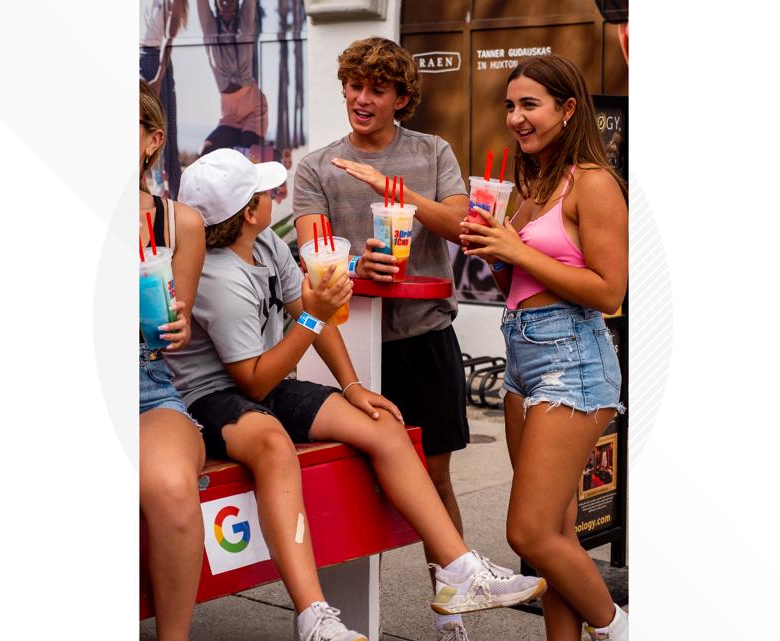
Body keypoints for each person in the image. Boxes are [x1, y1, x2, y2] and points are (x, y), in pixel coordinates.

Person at [168, 148, 546, 641]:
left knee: (382, 422)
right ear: (246, 211)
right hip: (212, 397)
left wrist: (352, 386)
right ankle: (314, 617)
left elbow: (308, 308)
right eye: (264, 192)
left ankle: (458, 569)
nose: (272, 197)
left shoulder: (265, 247)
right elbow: (255, 379)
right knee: (272, 443)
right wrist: (314, 314)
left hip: (264, 380)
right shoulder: (218, 275)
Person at [291, 37, 475, 640]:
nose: (361, 98)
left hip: (425, 339)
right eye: (354, 85)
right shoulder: (316, 166)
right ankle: (335, 616)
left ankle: (450, 608)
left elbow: (461, 226)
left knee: (436, 478)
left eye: (377, 88)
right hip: (344, 350)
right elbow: (313, 257)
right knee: (338, 483)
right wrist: (352, 273)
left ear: (401, 97)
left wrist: (392, 191)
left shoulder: (432, 151)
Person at [459, 54, 629, 641]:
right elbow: (521, 284)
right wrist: (495, 257)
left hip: (572, 362)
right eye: (510, 105)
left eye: (529, 104)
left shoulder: (595, 183)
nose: (516, 117)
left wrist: (518, 251)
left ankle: (619, 629)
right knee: (557, 532)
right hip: (523, 360)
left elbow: (608, 291)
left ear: (567, 108)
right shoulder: (529, 187)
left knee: (528, 535)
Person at [138, 78, 209, 641]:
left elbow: (172, 335)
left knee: (172, 488)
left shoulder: (179, 223)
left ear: (151, 139)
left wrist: (177, 325)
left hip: (146, 383)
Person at [196, 0, 269, 155]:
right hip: (229, 113)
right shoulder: (210, 27)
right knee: (206, 150)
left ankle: (274, 160)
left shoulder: (245, 23)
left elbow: (249, 4)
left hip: (253, 107)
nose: (225, 2)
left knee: (246, 155)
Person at [140, 0, 188, 198]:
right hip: (145, 56)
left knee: (162, 135)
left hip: (154, 60)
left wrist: (158, 77)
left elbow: (169, 37)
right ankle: (162, 192)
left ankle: (170, 197)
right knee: (153, 134)